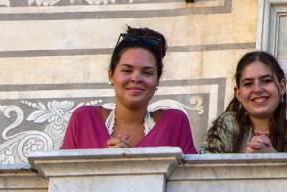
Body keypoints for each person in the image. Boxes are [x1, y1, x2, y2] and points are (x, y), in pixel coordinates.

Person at [61, 27, 196, 151]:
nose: (136, 78)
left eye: (147, 72)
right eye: (126, 70)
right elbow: (62, 173)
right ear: (111, 75)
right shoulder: (84, 120)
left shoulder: (175, 123)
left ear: (157, 80)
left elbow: (191, 175)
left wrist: (133, 163)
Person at [206, 50, 287, 153]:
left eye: (266, 81)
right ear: (239, 94)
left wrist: (272, 159)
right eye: (248, 84)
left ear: (282, 87)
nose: (257, 89)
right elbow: (205, 174)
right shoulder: (228, 125)